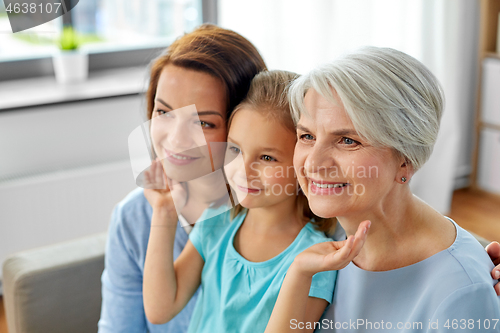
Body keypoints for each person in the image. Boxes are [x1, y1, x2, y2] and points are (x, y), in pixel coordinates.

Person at [266, 47, 500, 332]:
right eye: (307, 136)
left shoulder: (460, 293)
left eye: (348, 141)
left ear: (406, 160)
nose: (313, 162)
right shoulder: (319, 232)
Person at [142, 70, 355, 333]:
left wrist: (300, 272)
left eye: (267, 158)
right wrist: (164, 212)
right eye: (235, 149)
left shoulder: (316, 258)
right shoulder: (218, 219)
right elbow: (160, 309)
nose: (243, 169)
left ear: (303, 164)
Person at [97, 24, 266, 333]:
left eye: (202, 121)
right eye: (164, 113)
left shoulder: (273, 214)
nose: (175, 139)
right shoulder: (133, 218)